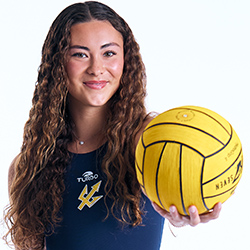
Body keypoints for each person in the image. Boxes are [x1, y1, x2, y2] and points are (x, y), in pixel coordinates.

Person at [4, 2, 221, 249]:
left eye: (109, 53)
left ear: (126, 60)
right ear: (58, 64)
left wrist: (186, 209)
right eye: (80, 54)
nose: (97, 69)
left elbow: (207, 169)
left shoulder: (149, 140)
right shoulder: (28, 167)